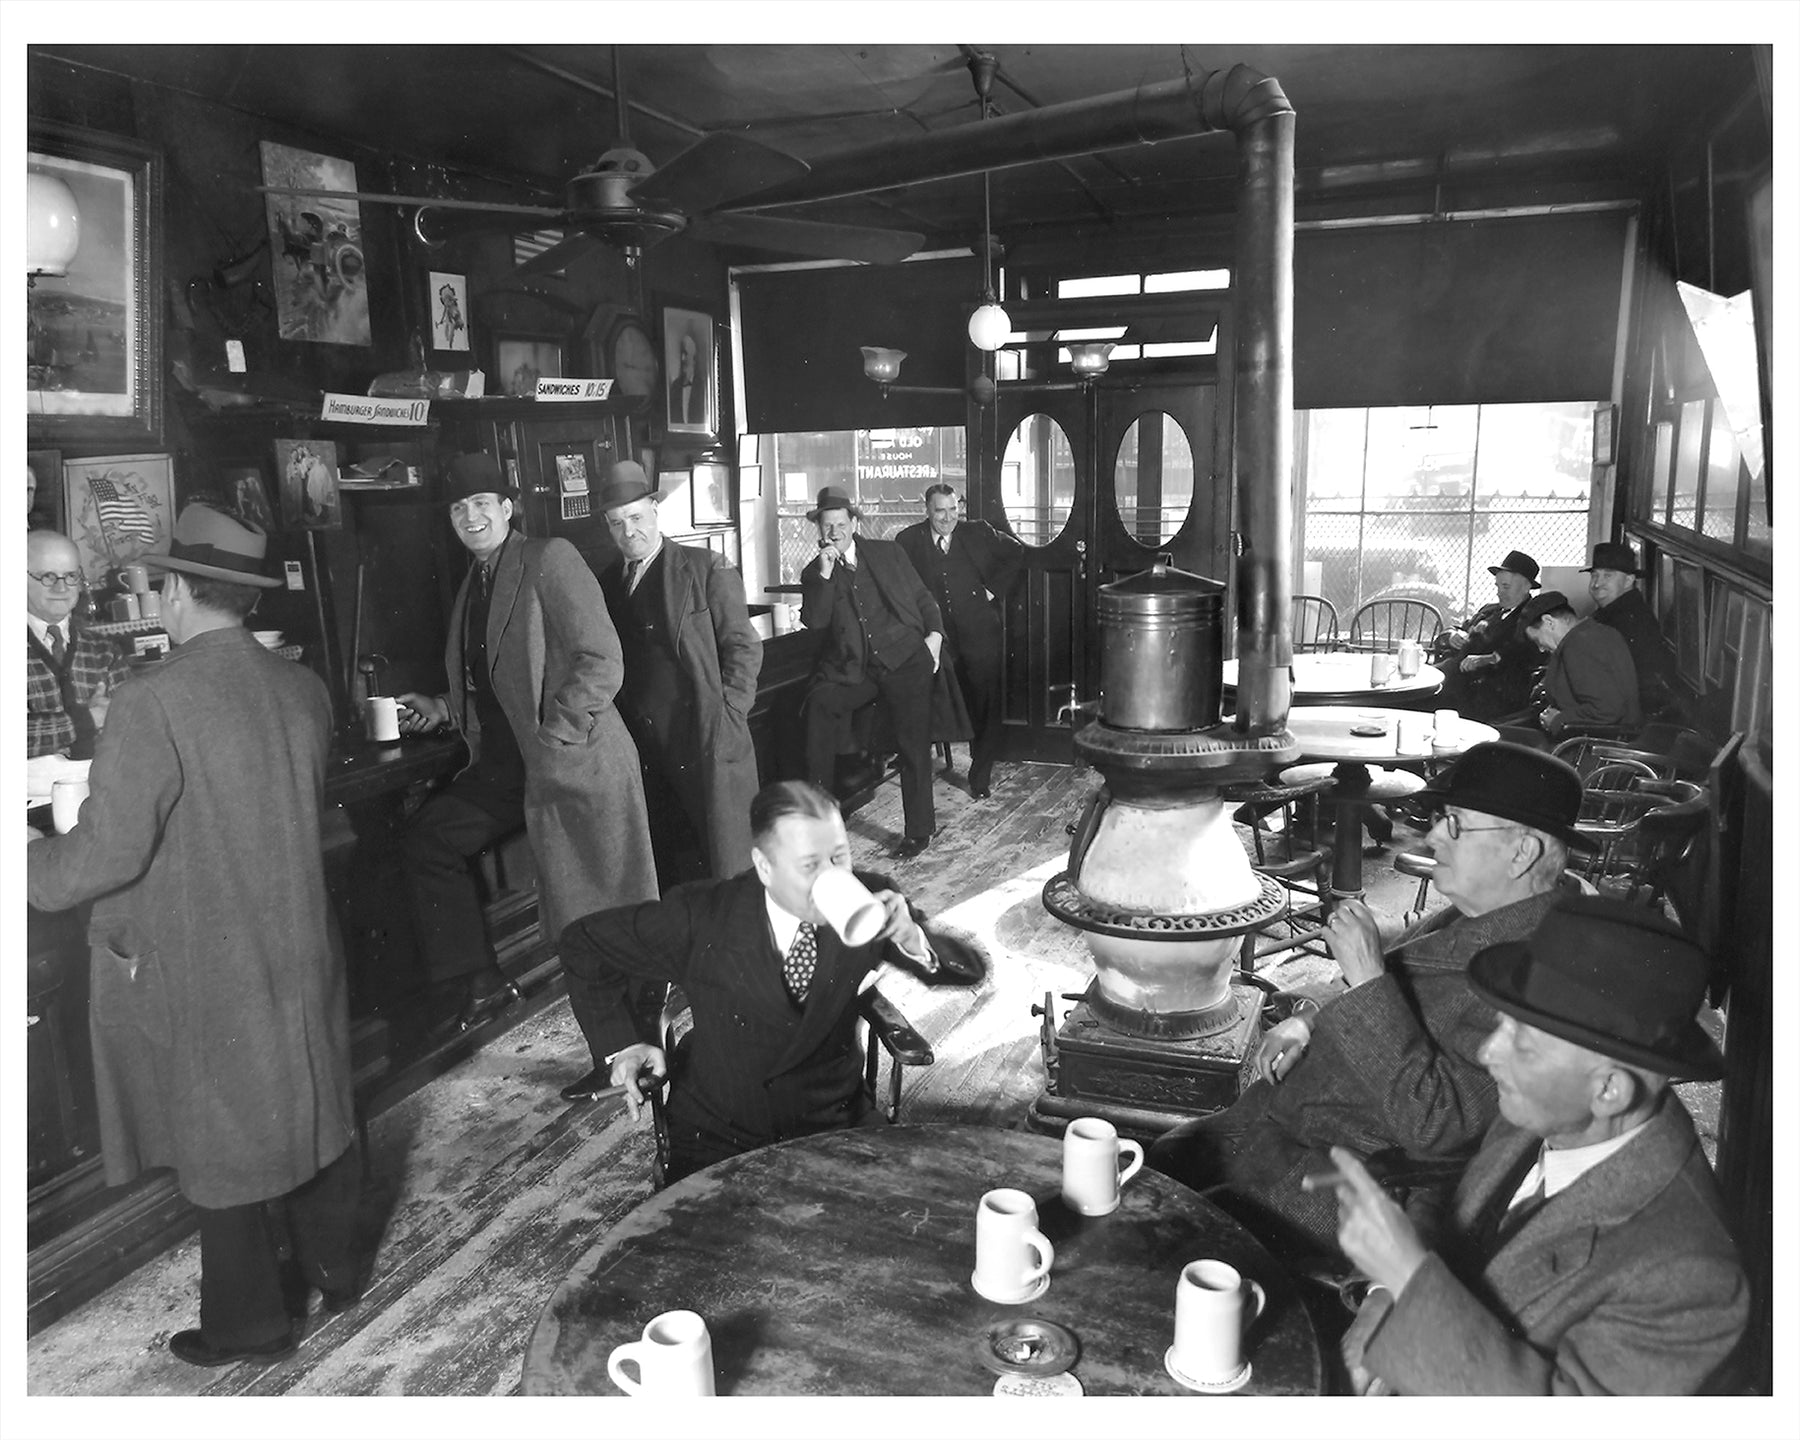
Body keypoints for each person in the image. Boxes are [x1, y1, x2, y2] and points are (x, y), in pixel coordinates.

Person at [27, 502, 367, 1366]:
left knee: (224, 1129)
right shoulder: (303, 685)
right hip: (299, 936)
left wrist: (28, 865)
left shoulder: (154, 698)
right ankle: (338, 1265)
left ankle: (249, 1323)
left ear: (176, 591)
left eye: (156, 586)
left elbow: (111, 848)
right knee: (310, 1090)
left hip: (209, 950)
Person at [1148, 742, 1586, 1257]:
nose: (1433, 834)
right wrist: (1309, 1017)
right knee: (1161, 1160)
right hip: (1286, 1119)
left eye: (1457, 824)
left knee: (1160, 1232)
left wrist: (1365, 974)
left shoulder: (1537, 976)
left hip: (1335, 1179)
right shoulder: (1485, 912)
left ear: (1523, 852)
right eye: (1440, 817)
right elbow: (1386, 982)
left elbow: (1437, 1125)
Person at [1311, 896, 1746, 1395]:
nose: (1486, 1052)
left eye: (1522, 1042)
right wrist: (1383, 1297)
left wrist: (1408, 1279)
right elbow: (1453, 1191)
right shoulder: (1548, 1114)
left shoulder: (1694, 1279)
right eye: (1501, 1024)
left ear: (1609, 1090)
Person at [557, 781, 982, 1183]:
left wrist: (914, 938)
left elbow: (966, 971)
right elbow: (584, 944)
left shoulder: (872, 897)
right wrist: (625, 1044)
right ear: (764, 866)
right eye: (809, 866)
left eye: (839, 856)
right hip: (721, 1132)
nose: (831, 877)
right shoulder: (702, 915)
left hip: (832, 1120)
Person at [396, 452, 658, 1077]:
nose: (470, 517)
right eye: (459, 508)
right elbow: (492, 684)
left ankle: (632, 1054)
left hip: (574, 762)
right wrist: (441, 707)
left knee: (604, 914)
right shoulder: (473, 585)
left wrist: (557, 734)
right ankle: (483, 982)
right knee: (429, 841)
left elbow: (602, 659)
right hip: (508, 766)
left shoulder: (549, 558)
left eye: (482, 503)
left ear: (507, 508)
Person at [594, 460, 762, 887]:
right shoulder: (607, 581)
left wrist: (730, 716)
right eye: (616, 523)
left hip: (701, 732)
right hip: (641, 744)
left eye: (635, 517)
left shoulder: (705, 567)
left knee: (724, 855)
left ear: (654, 510)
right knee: (664, 854)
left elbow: (742, 646)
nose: (628, 531)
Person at [799, 485, 946, 860]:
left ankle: (919, 831)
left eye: (840, 524)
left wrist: (934, 638)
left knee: (913, 746)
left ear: (854, 522)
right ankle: (824, 814)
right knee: (818, 704)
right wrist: (825, 576)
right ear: (819, 530)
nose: (834, 533)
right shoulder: (816, 572)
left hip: (904, 659)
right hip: (859, 669)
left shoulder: (886, 552)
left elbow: (922, 597)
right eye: (827, 526)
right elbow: (815, 623)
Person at [896, 484, 1024, 799]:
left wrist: (992, 589)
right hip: (938, 637)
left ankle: (980, 775)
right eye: (940, 510)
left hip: (980, 632)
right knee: (936, 697)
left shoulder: (978, 532)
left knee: (985, 701)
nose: (948, 517)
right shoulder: (908, 541)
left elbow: (1016, 553)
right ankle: (921, 769)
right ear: (926, 509)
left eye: (954, 509)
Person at [27, 528, 131, 759]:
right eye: (48, 576)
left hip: (97, 787)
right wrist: (90, 719)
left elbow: (132, 724)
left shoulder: (104, 650)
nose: (62, 588)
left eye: (71, 576)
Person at [1433, 549, 1546, 721]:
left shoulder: (1532, 621)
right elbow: (1450, 632)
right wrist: (1452, 635)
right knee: (1408, 688)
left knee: (1410, 700)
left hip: (1479, 693)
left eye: (1506, 586)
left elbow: (1520, 654)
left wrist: (1483, 659)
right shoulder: (1489, 610)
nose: (1499, 592)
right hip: (1449, 676)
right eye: (1498, 586)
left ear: (1527, 586)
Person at [1516, 589, 1641, 741]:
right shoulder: (1596, 632)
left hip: (1591, 747)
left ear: (1549, 622)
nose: (1541, 648)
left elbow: (1607, 709)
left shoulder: (1578, 646)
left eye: (1537, 640)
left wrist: (1559, 719)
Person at [1584, 540, 1686, 725]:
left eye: (1608, 576)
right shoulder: (1610, 613)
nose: (1597, 583)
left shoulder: (1628, 621)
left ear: (1629, 581)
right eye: (1594, 575)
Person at [668, 332, 704, 427]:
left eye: (686, 353)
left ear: (694, 358)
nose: (682, 358)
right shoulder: (675, 387)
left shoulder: (703, 387)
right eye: (681, 354)